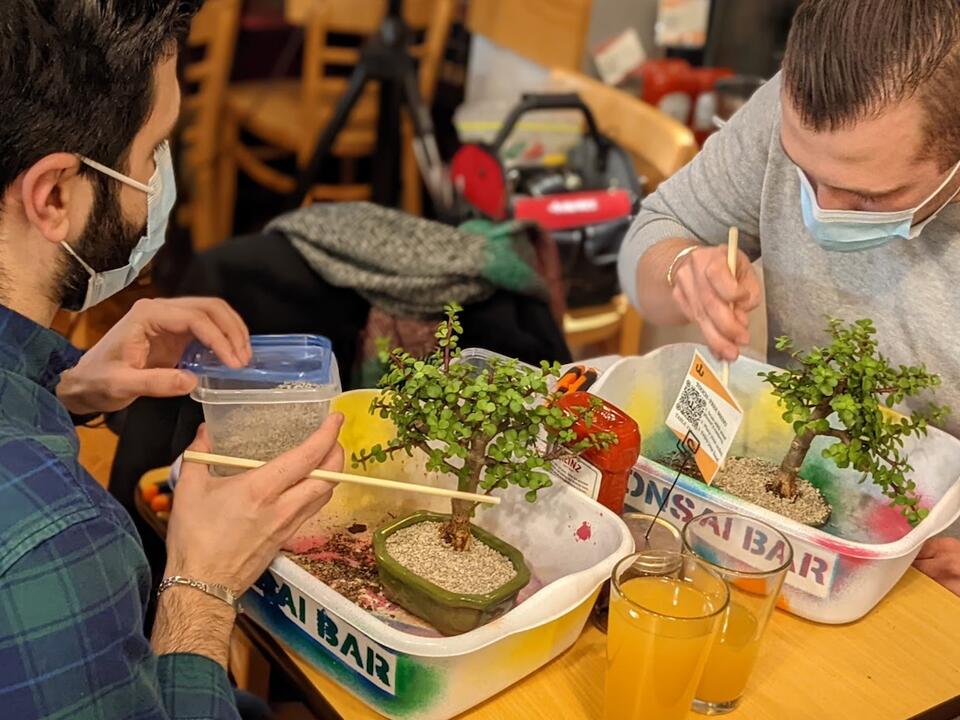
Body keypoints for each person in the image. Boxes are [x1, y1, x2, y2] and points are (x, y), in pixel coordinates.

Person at [0, 3, 344, 718]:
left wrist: (65, 385)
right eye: (152, 151)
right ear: (55, 195)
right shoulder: (56, 545)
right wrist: (202, 587)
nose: (159, 181)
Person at [617, 0, 960, 594]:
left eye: (868, 198)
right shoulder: (796, 107)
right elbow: (650, 241)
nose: (819, 212)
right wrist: (681, 271)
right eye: (805, 175)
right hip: (789, 538)